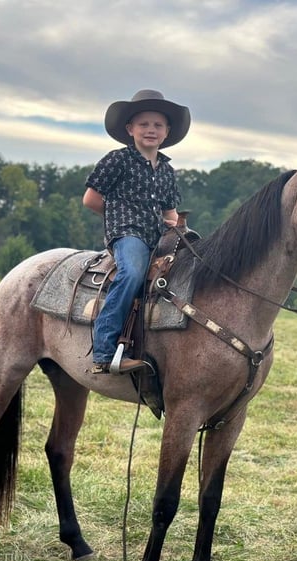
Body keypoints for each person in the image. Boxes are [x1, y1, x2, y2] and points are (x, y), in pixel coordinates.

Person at [83, 89, 191, 374]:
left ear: (167, 132)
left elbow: (170, 212)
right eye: (144, 124)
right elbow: (91, 199)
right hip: (128, 233)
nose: (151, 130)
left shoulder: (167, 170)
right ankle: (105, 352)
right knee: (131, 273)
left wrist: (176, 225)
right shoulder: (117, 160)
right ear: (130, 129)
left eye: (157, 125)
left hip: (158, 237)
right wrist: (120, 216)